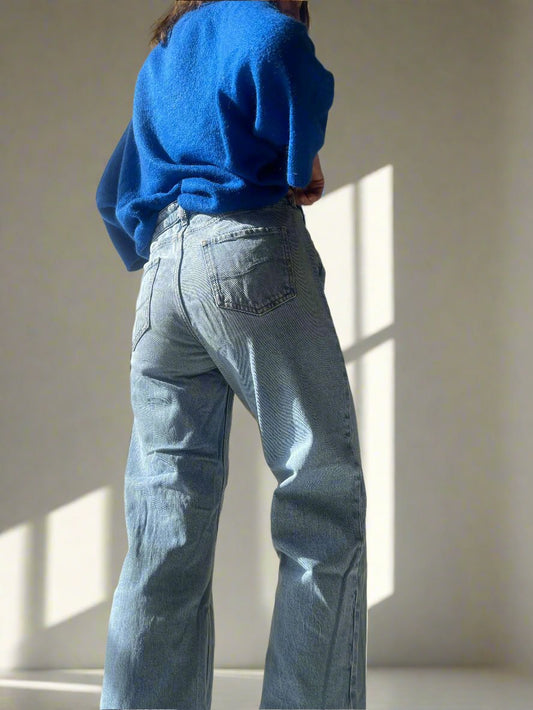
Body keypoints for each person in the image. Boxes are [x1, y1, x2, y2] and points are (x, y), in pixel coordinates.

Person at [95, 1, 367, 708]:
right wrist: (299, 153)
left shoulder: (166, 54)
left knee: (165, 519)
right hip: (248, 252)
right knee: (319, 492)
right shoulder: (259, 21)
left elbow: (112, 187)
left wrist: (154, 245)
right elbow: (275, 42)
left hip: (163, 279)